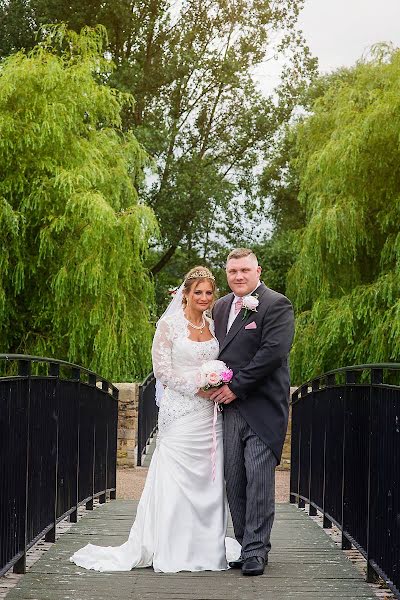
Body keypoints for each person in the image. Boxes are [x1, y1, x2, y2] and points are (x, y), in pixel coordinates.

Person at [70, 266, 240, 572]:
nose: (203, 297)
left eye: (208, 292)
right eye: (197, 292)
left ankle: (205, 547)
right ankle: (171, 546)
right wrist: (200, 389)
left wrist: (216, 382)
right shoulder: (169, 326)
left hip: (209, 416)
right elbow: (163, 372)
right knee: (177, 476)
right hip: (181, 411)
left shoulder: (215, 327)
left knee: (208, 477)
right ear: (185, 294)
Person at [211, 248, 294, 576]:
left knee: (258, 479)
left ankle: (258, 551)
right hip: (228, 411)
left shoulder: (276, 304)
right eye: (232, 271)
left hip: (262, 407)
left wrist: (236, 386)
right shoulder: (219, 308)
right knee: (235, 479)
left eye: (244, 270)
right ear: (227, 274)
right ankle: (245, 544)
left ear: (258, 270)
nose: (238, 276)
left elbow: (272, 353)